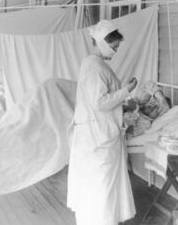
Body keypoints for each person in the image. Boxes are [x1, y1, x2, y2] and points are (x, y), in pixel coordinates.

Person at [67, 20, 137, 225]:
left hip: (97, 131)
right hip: (96, 136)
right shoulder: (93, 65)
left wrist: (124, 104)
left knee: (101, 184)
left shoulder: (96, 64)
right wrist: (127, 90)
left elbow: (100, 100)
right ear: (104, 43)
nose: (116, 52)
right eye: (114, 47)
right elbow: (100, 103)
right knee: (100, 185)